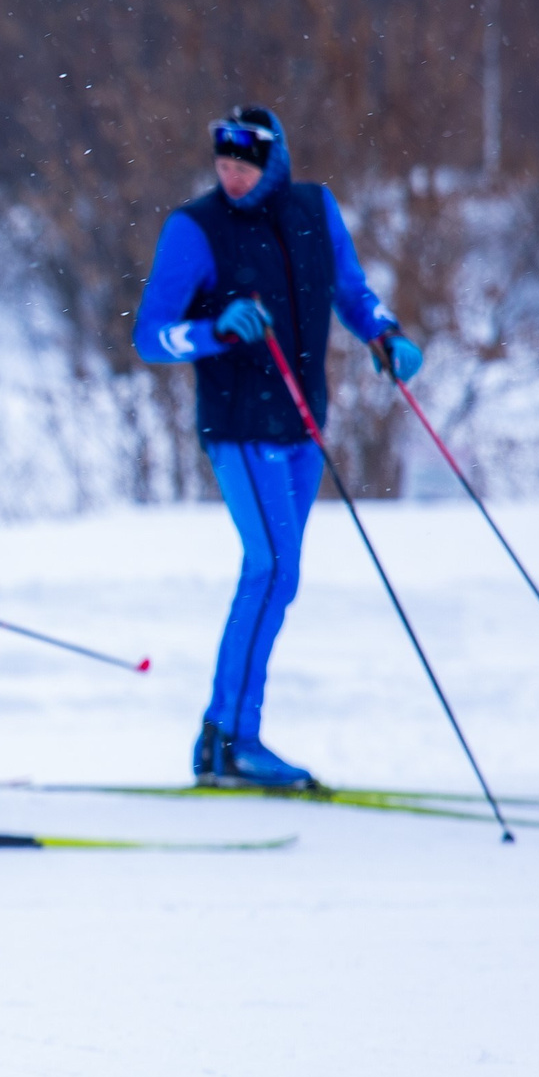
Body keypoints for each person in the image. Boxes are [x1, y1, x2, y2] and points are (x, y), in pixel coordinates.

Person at [131, 105, 424, 789]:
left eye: (244, 164)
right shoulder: (194, 229)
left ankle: (221, 737)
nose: (230, 176)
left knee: (277, 576)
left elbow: (351, 291)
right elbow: (151, 335)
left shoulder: (315, 208)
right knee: (269, 568)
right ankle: (233, 737)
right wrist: (216, 330)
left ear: (274, 161)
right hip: (239, 425)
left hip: (302, 424)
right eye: (222, 164)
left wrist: (386, 334)